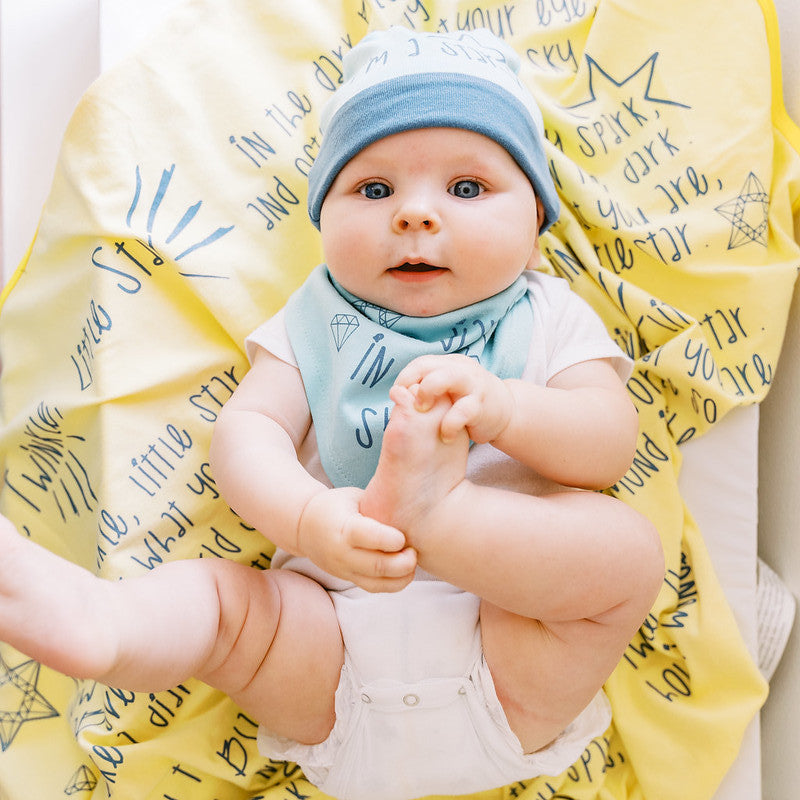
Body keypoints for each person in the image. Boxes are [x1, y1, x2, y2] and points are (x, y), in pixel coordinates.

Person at [0, 27, 663, 800]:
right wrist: (309, 520)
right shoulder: (313, 320)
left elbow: (608, 444)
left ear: (537, 227)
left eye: (468, 188)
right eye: (374, 190)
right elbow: (248, 435)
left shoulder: (548, 315)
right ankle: (106, 626)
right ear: (323, 220)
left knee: (624, 554)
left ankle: (443, 517)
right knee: (226, 613)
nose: (415, 214)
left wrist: (511, 408)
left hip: (513, 660)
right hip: (330, 653)